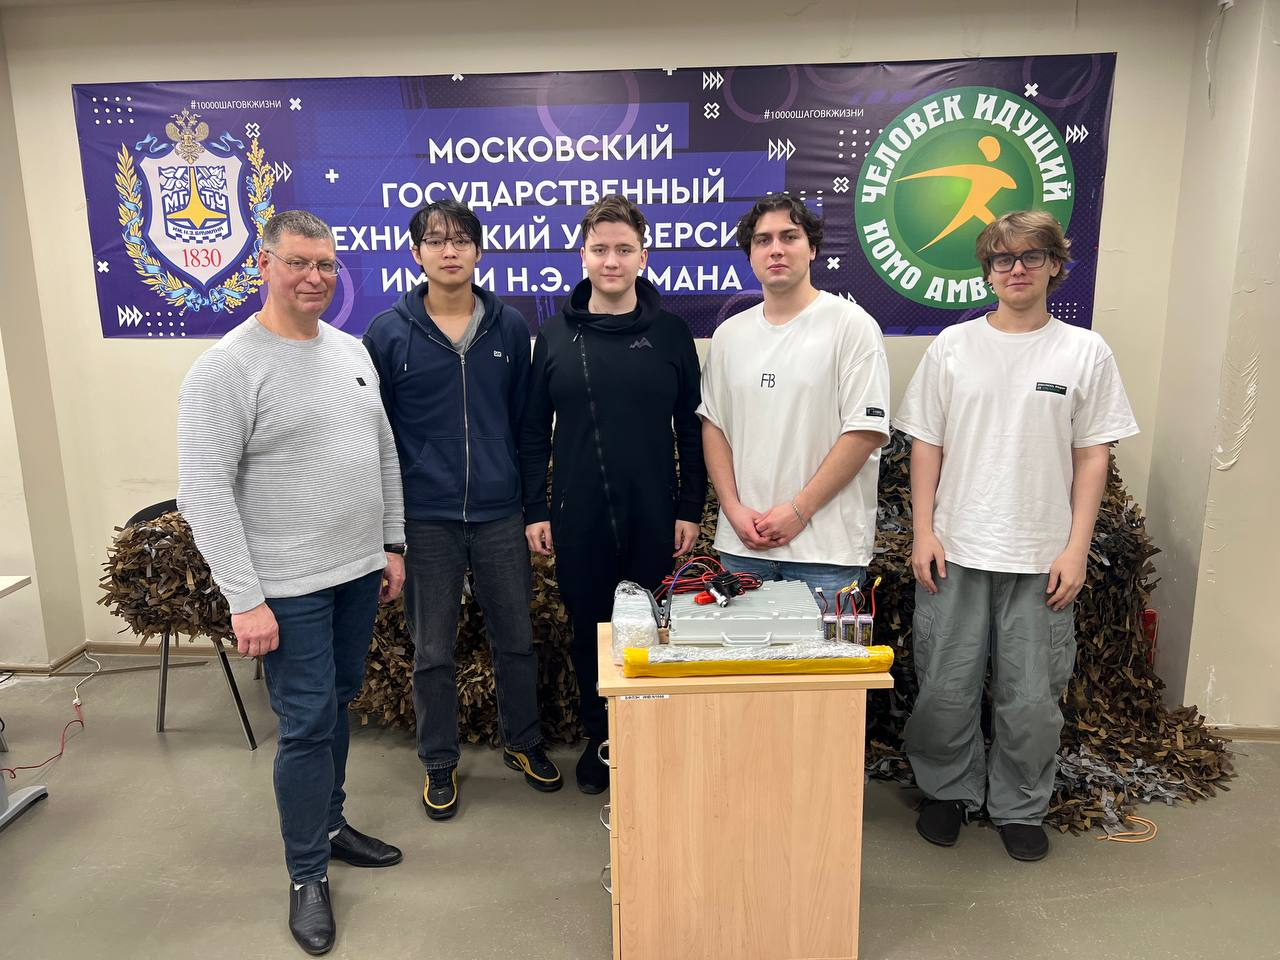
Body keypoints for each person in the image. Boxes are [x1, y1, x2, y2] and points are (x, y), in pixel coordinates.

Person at [178, 210, 406, 955]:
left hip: (356, 574)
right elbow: (203, 491)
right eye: (298, 263)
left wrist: (390, 545)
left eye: (326, 265)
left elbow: (382, 454)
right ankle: (307, 873)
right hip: (287, 588)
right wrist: (245, 598)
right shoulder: (227, 367)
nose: (314, 277)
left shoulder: (351, 352)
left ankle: (331, 825)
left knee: (335, 705)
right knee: (306, 724)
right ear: (265, 266)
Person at [894, 210, 1139, 862]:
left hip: (1041, 555)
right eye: (1003, 259)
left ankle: (1019, 804)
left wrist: (1076, 549)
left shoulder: (1085, 351)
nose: (1017, 269)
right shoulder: (952, 347)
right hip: (956, 549)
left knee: (1032, 699)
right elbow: (926, 445)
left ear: (1055, 265)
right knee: (945, 688)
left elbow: (1093, 455)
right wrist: (923, 532)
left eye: (1032, 256)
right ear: (988, 272)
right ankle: (946, 791)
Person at [363, 200, 561, 822]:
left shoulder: (511, 328)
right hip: (426, 519)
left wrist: (533, 507)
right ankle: (438, 759)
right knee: (432, 650)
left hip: (501, 513)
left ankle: (523, 742)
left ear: (479, 250)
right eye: (435, 240)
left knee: (516, 639)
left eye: (461, 240)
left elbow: (528, 426)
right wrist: (389, 533)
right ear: (416, 253)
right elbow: (377, 439)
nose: (449, 251)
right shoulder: (387, 333)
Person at [520, 195, 705, 794]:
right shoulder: (553, 335)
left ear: (642, 257)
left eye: (624, 249)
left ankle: (648, 738)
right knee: (590, 633)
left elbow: (692, 428)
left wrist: (689, 507)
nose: (612, 261)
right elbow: (533, 433)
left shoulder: (672, 335)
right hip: (579, 516)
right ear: (583, 255)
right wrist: (535, 508)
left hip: (654, 514)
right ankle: (602, 740)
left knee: (651, 631)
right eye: (600, 249)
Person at [697, 195, 890, 603]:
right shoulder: (729, 336)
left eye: (790, 237)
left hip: (825, 555)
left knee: (822, 651)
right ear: (751, 254)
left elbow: (864, 432)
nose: (776, 249)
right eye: (763, 240)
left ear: (812, 248)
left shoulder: (851, 326)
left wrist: (800, 510)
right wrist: (732, 508)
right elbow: (714, 426)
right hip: (742, 548)